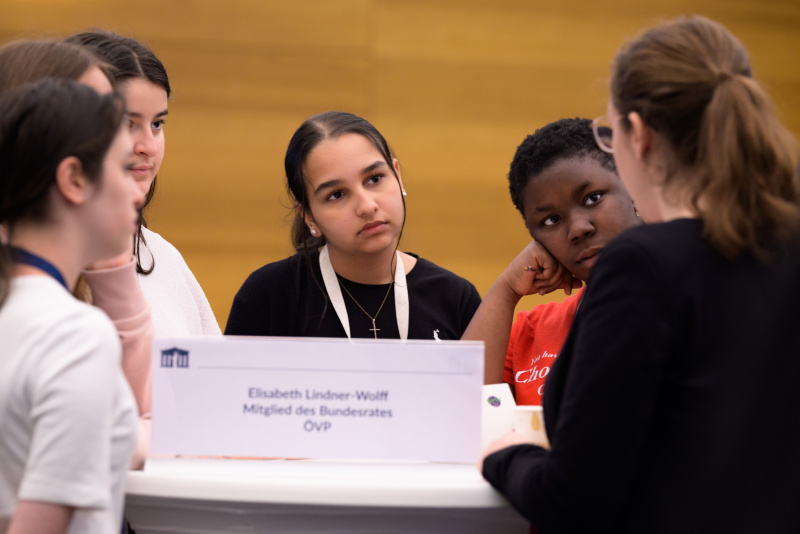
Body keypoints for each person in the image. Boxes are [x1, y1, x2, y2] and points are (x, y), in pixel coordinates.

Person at [481, 16, 800, 533]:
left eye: (609, 135)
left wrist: (504, 456)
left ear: (639, 137)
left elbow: (573, 497)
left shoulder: (643, 265)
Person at [0, 37, 153, 470]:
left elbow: (131, 420)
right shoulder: (65, 327)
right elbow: (114, 442)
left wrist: (112, 270)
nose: (137, 148)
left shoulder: (116, 250)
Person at [226, 111, 481, 339]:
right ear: (309, 217)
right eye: (336, 194)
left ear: (397, 175)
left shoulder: (456, 299)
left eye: (375, 179)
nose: (367, 206)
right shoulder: (268, 296)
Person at [462, 118, 639, 404]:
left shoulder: (695, 300)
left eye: (592, 198)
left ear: (632, 188)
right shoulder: (532, 333)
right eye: (551, 220)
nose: (578, 229)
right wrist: (506, 290)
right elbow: (458, 409)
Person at [67, 30, 221, 337]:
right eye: (128, 123)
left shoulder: (165, 258)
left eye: (157, 124)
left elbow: (214, 367)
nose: (148, 146)